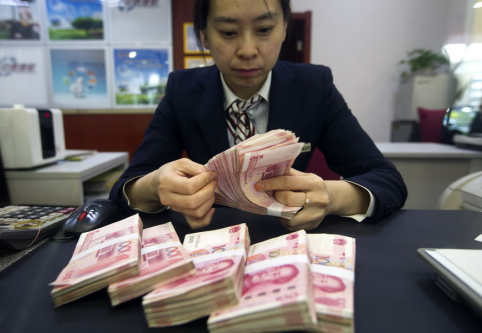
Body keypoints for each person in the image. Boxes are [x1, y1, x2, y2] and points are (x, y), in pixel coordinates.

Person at [110, 0, 407, 231]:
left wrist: (330, 197)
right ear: (204, 36)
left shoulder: (314, 87)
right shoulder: (183, 91)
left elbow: (386, 181)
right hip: (209, 243)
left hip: (289, 242)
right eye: (228, 33)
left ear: (284, 28)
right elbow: (127, 187)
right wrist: (155, 185)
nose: (248, 50)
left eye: (264, 30)